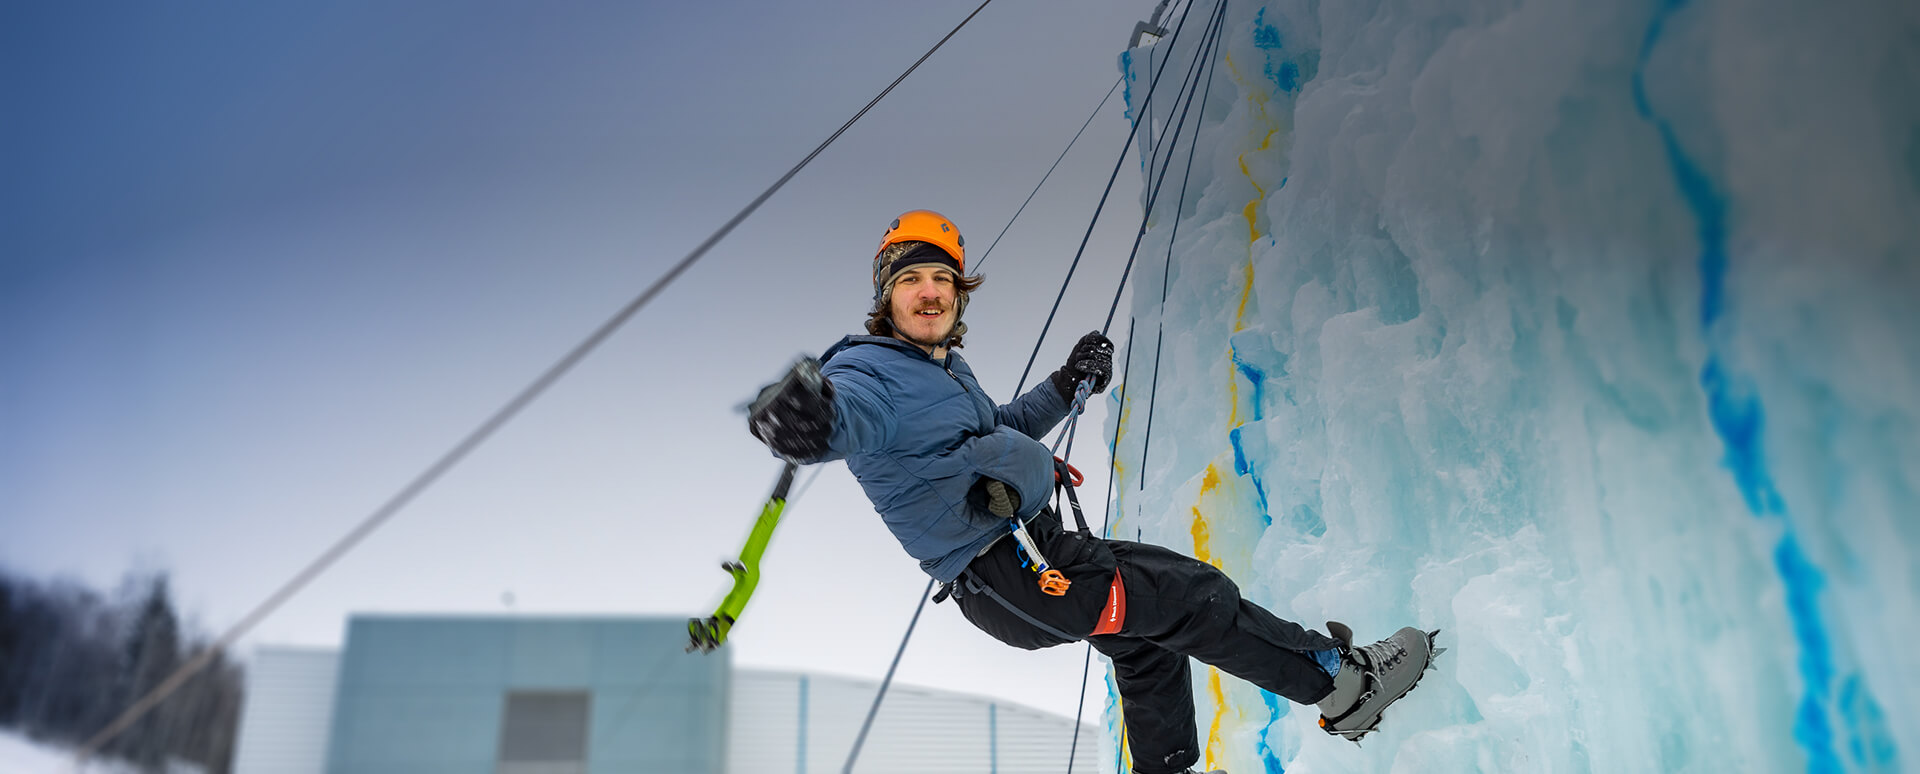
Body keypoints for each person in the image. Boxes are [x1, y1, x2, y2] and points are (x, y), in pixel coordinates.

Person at [747, 210, 1435, 774]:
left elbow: (1005, 426)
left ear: (958, 293)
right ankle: (1346, 686)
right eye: (911, 280)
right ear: (886, 297)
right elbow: (847, 418)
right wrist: (809, 420)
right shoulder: (870, 372)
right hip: (1006, 576)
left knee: (1145, 640)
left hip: (1033, 554)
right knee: (1189, 595)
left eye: (941, 278)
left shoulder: (943, 372)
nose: (929, 292)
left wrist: (1068, 382)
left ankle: (1164, 767)